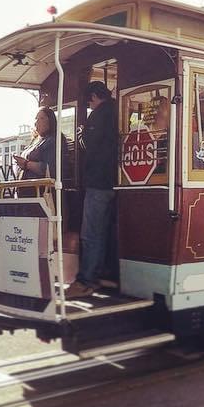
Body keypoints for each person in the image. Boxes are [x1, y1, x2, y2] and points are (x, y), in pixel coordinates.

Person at [66, 81, 118, 298]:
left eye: (90, 100)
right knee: (105, 231)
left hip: (98, 181)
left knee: (91, 233)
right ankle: (103, 272)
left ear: (96, 96)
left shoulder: (98, 115)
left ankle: (87, 279)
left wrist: (80, 133)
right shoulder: (119, 110)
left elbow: (88, 144)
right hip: (115, 180)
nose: (89, 104)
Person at [13, 108, 59, 184]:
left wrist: (26, 164)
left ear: (50, 121)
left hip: (39, 189)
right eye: (36, 119)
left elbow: (49, 168)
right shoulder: (35, 140)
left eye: (41, 118)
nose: (36, 122)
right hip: (25, 187)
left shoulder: (53, 140)